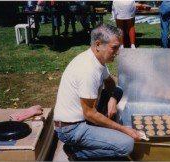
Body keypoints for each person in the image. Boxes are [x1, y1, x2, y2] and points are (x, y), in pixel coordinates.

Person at [54, 24, 141, 160]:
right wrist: (123, 129)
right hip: (71, 129)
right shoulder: (88, 70)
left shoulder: (97, 59)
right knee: (127, 144)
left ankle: (88, 142)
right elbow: (89, 113)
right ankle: (77, 153)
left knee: (117, 91)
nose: (118, 53)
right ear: (98, 44)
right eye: (114, 47)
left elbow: (111, 83)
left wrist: (112, 99)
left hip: (80, 120)